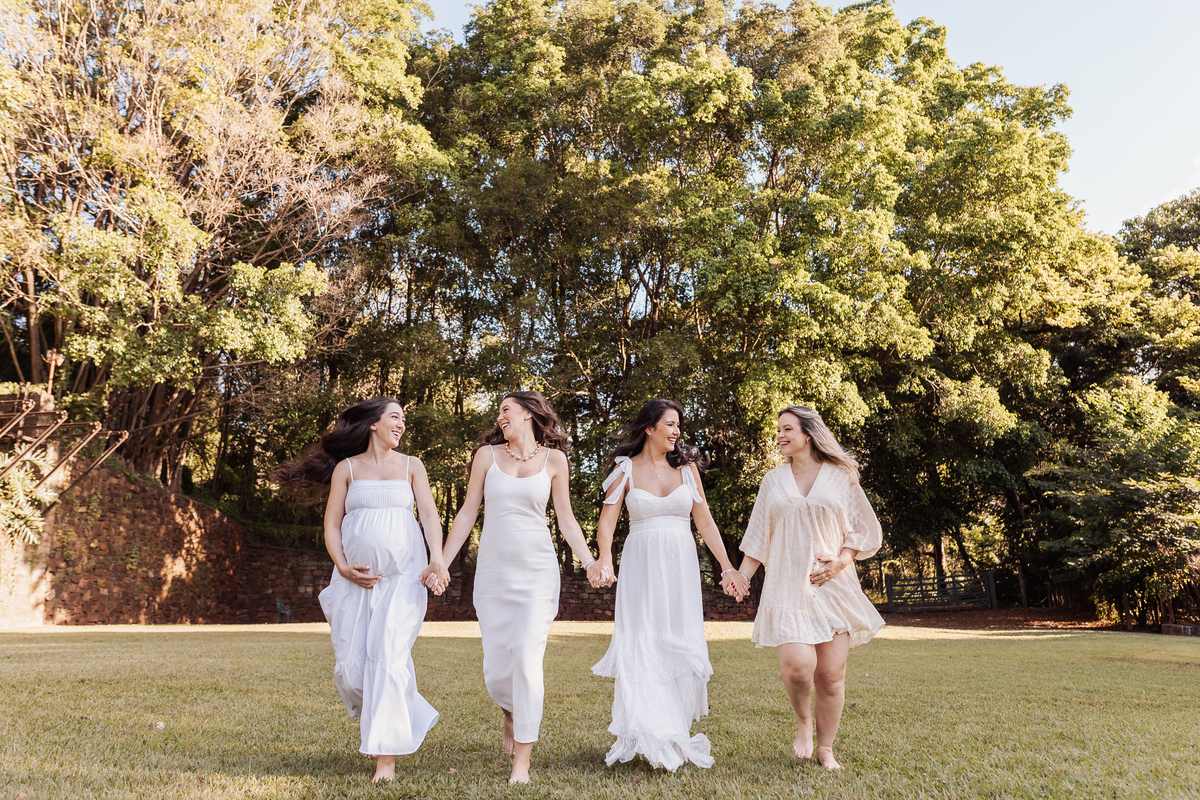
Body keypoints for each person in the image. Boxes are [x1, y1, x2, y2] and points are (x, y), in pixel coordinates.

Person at [277, 398, 450, 784]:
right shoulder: (347, 469)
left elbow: (429, 517)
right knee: (354, 672)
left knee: (388, 659)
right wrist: (341, 565)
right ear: (372, 424)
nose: (402, 423)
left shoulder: (411, 466)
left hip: (403, 581)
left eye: (404, 419)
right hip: (354, 582)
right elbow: (332, 525)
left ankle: (385, 760)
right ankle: (400, 714)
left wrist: (436, 558)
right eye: (395, 417)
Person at [441, 390, 603, 784]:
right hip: (494, 574)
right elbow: (466, 513)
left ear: (529, 414)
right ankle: (510, 713)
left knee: (528, 663)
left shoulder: (555, 461)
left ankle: (522, 764)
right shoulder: (486, 457)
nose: (500, 417)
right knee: (498, 669)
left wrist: (589, 560)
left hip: (537, 573)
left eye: (506, 410)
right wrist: (441, 563)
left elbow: (565, 520)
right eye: (499, 412)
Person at [727, 405, 884, 770]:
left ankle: (826, 748)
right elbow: (759, 538)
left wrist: (842, 562)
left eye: (787, 429)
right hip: (787, 586)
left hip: (834, 587)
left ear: (808, 434)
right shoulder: (773, 481)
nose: (780, 436)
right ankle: (802, 722)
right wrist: (743, 576)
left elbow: (863, 530)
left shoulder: (841, 476)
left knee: (830, 675)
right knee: (799, 666)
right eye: (779, 431)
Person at [592, 398, 743, 771]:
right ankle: (648, 731)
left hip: (680, 565)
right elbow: (607, 522)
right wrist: (605, 557)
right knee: (644, 639)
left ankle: (672, 731)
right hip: (641, 564)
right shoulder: (625, 469)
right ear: (649, 428)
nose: (677, 431)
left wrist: (727, 567)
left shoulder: (688, 470)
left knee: (676, 638)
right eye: (670, 424)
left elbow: (705, 522)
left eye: (679, 425)